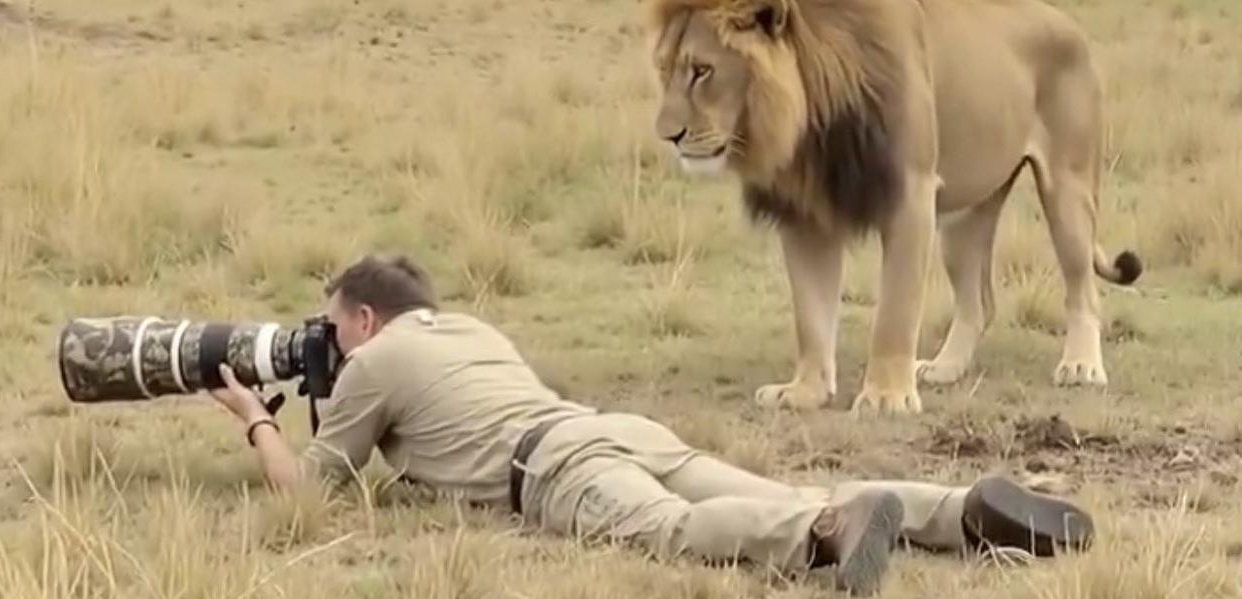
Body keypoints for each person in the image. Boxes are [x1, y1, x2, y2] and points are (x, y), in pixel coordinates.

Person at [209, 253, 1096, 596]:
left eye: (332, 326)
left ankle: (824, 535)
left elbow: (311, 488)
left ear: (364, 318)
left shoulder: (374, 359)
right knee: (783, 482)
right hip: (617, 428)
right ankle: (960, 509)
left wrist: (256, 419)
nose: (325, 339)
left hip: (556, 468)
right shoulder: (468, 329)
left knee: (671, 532)